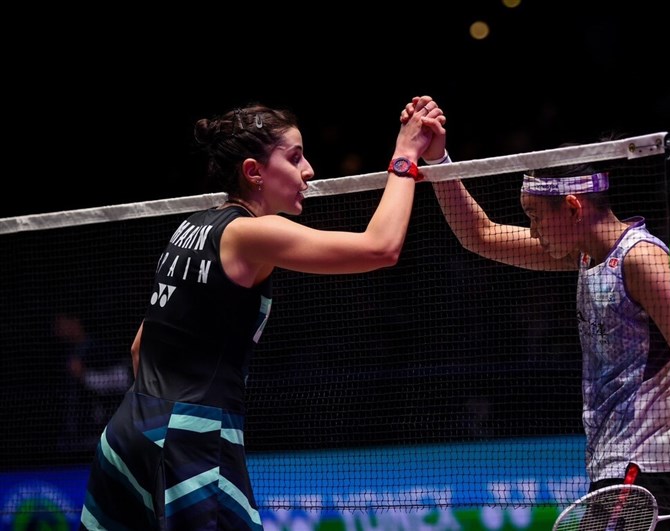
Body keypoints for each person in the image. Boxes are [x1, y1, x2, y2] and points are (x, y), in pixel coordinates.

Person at [79, 95, 446, 530]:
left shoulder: (191, 227)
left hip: (126, 432)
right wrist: (405, 156)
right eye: (294, 158)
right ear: (254, 172)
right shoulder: (251, 233)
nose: (308, 170)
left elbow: (141, 346)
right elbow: (380, 248)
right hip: (192, 439)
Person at [401, 101, 670, 531]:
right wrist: (438, 159)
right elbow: (480, 234)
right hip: (612, 471)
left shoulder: (641, 261)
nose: (531, 229)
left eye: (535, 216)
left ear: (573, 208)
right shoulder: (585, 254)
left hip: (650, 469)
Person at [51, 312, 132, 455]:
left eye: (60, 324)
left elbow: (122, 378)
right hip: (74, 433)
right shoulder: (63, 352)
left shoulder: (98, 348)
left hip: (101, 429)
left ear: (75, 321)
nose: (57, 330)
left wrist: (84, 375)